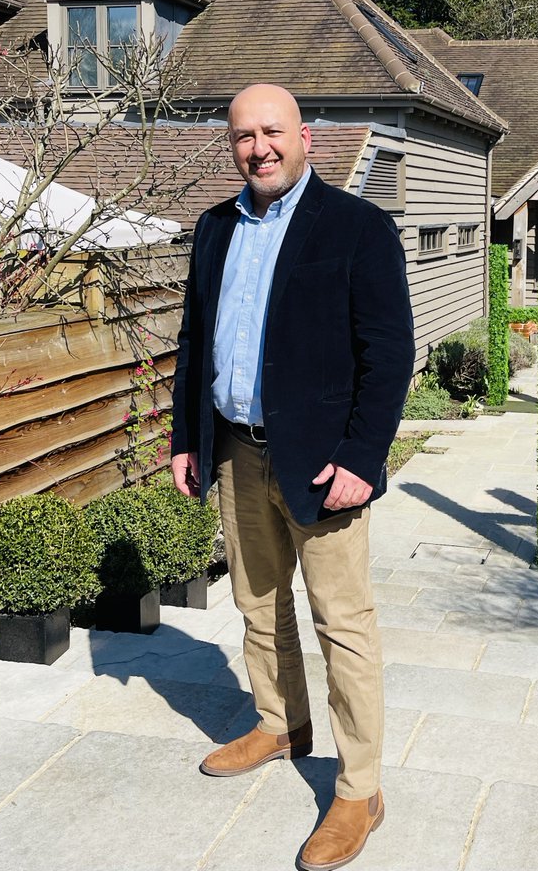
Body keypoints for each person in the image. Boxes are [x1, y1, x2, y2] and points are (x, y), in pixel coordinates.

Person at [171, 83, 415, 871]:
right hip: (238, 451)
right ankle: (280, 724)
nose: (258, 148)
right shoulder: (214, 228)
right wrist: (187, 438)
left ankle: (359, 789)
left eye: (272, 131)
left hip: (322, 462)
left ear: (304, 135)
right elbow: (193, 342)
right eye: (243, 136)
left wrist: (361, 460)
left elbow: (388, 358)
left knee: (342, 623)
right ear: (231, 144)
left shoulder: (356, 228)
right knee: (256, 603)